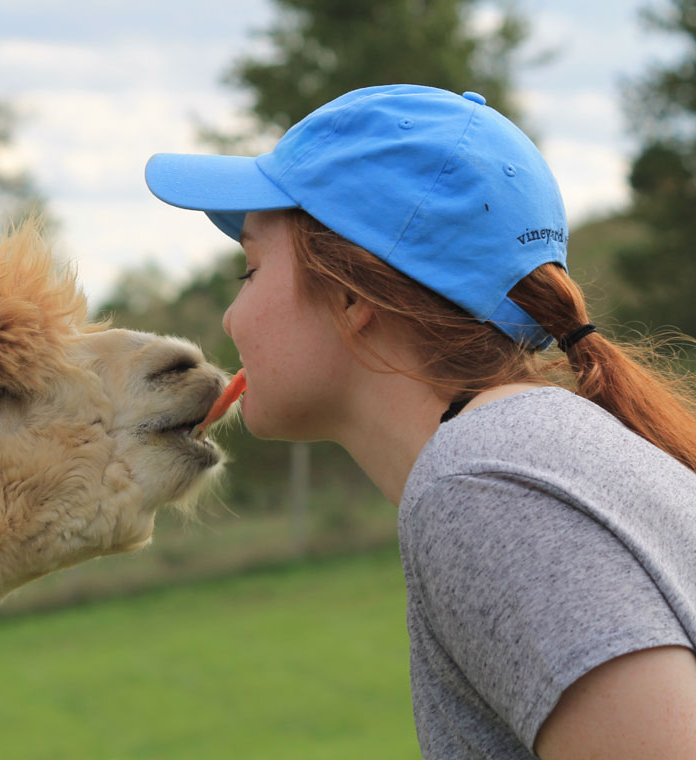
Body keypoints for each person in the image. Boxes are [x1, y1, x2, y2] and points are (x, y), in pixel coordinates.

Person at [145, 84, 696, 759]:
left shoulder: (484, 492)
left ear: (353, 293)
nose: (231, 320)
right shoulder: (540, 452)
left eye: (250, 270)